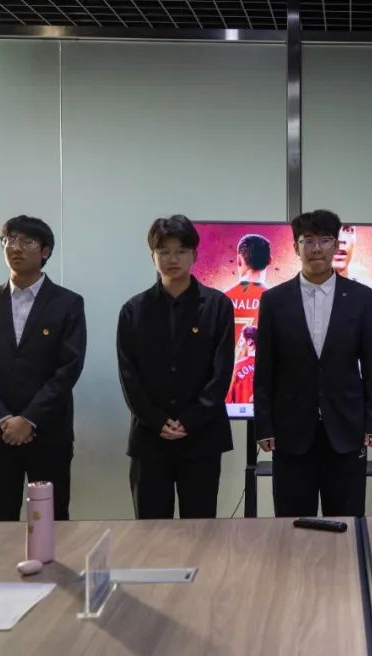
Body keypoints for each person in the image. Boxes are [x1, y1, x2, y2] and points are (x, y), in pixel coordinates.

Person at [254, 209, 372, 517]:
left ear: (336, 245)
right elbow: (264, 370)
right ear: (295, 247)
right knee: (293, 521)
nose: (316, 248)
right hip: (290, 430)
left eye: (325, 240)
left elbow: (371, 364)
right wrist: (264, 426)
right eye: (308, 241)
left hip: (346, 428)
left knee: (347, 519)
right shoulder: (274, 300)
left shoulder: (362, 297)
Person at [0, 215, 86, 522]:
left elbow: (69, 368)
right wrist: (4, 419)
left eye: (27, 241)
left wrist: (29, 419)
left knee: (51, 519)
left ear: (45, 251)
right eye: (9, 240)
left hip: (49, 431)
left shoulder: (68, 303)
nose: (15, 248)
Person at [117, 215, 235, 520]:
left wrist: (189, 420)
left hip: (202, 436)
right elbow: (129, 375)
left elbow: (221, 372)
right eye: (164, 252)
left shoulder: (218, 305)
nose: (172, 259)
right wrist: (157, 420)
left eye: (181, 251)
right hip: (150, 437)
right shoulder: (134, 310)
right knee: (150, 529)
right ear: (152, 256)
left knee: (200, 527)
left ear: (194, 255)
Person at [224, 233, 271, 359]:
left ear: (239, 260)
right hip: (260, 370)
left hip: (228, 370)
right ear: (270, 260)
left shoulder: (222, 299)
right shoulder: (276, 301)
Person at [227, 326, 257, 404]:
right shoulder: (270, 367)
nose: (239, 345)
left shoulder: (237, 366)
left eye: (241, 340)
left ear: (249, 341)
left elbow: (228, 399)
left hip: (240, 411)